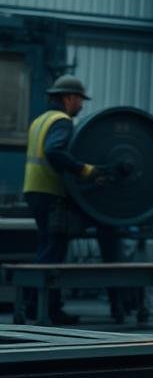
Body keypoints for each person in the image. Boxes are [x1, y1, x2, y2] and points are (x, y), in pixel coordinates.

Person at [22, 75, 102, 325]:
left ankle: (37, 305)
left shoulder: (40, 120)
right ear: (69, 98)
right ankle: (46, 308)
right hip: (50, 191)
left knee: (46, 247)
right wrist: (84, 170)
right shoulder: (62, 122)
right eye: (80, 100)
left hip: (34, 189)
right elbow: (54, 151)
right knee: (53, 252)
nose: (81, 105)